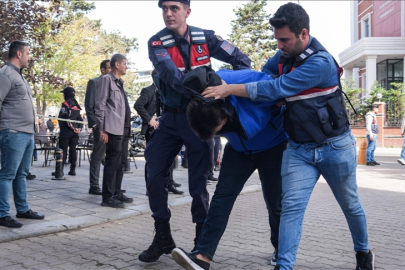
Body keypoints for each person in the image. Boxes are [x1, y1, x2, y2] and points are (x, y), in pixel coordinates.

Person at [201, 3, 374, 270]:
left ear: (304, 34)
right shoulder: (282, 56)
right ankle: (284, 265)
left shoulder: (321, 62)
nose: (279, 46)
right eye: (277, 39)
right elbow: (265, 76)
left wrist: (230, 89)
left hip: (335, 147)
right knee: (290, 209)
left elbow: (278, 87)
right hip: (298, 150)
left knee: (350, 205)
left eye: (285, 39)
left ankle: (363, 252)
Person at [139, 0, 251, 263]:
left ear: (187, 11)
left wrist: (230, 87)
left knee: (198, 183)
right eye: (164, 8)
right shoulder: (157, 42)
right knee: (154, 173)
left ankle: (201, 245)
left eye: (174, 8)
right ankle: (163, 237)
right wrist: (206, 86)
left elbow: (241, 59)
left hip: (198, 120)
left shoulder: (205, 37)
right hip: (170, 119)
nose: (168, 13)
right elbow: (172, 77)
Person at [171, 67, 287, 270]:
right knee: (221, 198)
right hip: (239, 149)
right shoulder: (201, 99)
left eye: (220, 129)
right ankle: (202, 256)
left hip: (272, 146)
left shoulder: (246, 80)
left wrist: (236, 91)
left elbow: (282, 91)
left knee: (275, 202)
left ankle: (282, 252)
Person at [0, 40, 45, 228]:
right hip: (13, 131)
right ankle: (2, 214)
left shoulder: (19, 75)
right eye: (27, 53)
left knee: (22, 173)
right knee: (8, 174)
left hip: (26, 133)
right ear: (18, 54)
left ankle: (23, 209)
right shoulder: (6, 74)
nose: (29, 57)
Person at [134, 70, 183, 195]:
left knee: (170, 156)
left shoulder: (167, 91)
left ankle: (169, 183)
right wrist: (149, 119)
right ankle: (150, 187)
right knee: (152, 158)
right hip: (152, 129)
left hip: (167, 127)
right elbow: (138, 105)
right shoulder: (149, 90)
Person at [95, 54, 133, 208]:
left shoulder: (119, 83)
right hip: (111, 128)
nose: (126, 66)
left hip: (123, 128)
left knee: (121, 161)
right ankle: (107, 197)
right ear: (116, 65)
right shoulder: (106, 80)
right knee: (112, 162)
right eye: (124, 63)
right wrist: (102, 128)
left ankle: (116, 192)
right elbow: (100, 105)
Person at [85, 59, 111, 195]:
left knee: (111, 157)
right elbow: (89, 106)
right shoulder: (94, 83)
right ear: (103, 69)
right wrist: (95, 124)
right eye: (109, 68)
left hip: (113, 126)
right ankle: (94, 185)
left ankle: (112, 185)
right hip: (100, 126)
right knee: (98, 155)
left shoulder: (114, 84)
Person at [58, 87, 83, 176]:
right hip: (75, 133)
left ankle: (59, 170)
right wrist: (79, 128)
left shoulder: (66, 105)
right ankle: (73, 169)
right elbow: (80, 119)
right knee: (73, 150)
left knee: (63, 151)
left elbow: (65, 119)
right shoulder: (76, 105)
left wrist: (73, 128)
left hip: (66, 132)